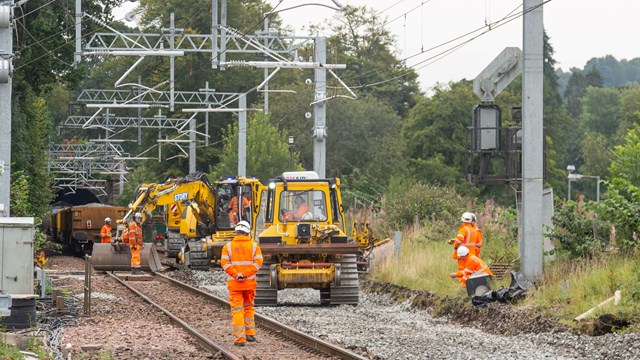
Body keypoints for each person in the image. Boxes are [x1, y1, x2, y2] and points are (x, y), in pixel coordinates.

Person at [220, 220, 263, 347]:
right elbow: (258, 263)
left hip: (235, 285)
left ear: (236, 232)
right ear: (247, 232)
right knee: (249, 307)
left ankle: (240, 339)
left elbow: (225, 263)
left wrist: (236, 274)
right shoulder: (254, 246)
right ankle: (250, 334)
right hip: (249, 284)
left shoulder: (227, 247)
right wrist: (245, 274)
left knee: (237, 310)